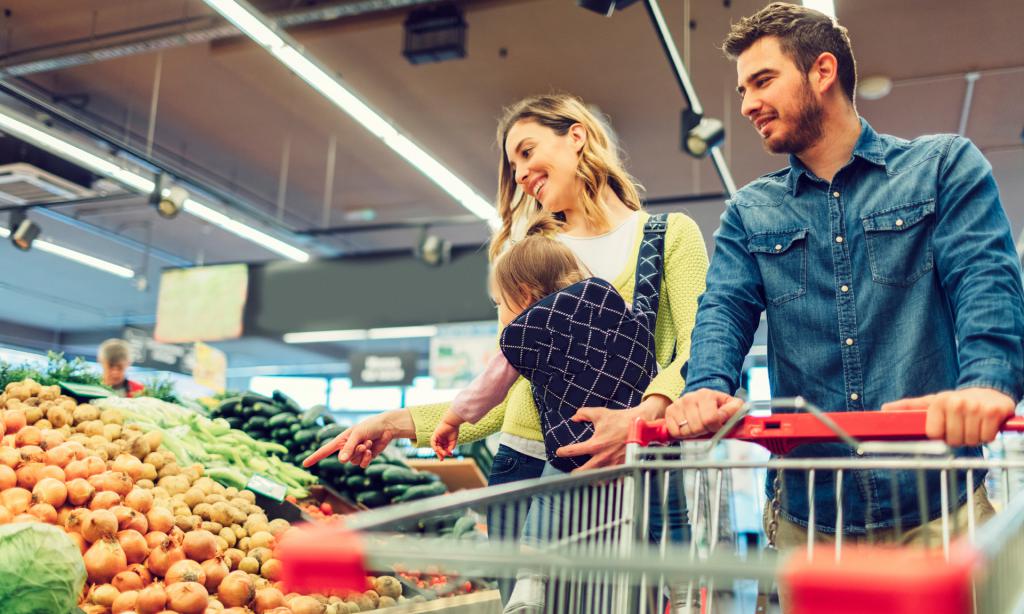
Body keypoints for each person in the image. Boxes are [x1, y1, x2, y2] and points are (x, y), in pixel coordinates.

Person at [666, 2, 1023, 550]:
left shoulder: (942, 168)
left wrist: (986, 383)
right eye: (742, 91)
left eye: (762, 81)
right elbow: (723, 310)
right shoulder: (749, 212)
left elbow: (985, 280)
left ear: (823, 72)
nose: (747, 105)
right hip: (809, 519)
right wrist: (706, 387)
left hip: (938, 509)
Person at [305, 94, 708, 482]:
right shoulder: (530, 259)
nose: (519, 174)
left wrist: (644, 415)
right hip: (525, 461)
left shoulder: (667, 236)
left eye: (527, 152)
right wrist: (392, 423)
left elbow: (700, 349)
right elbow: (504, 385)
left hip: (633, 458)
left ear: (577, 136)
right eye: (513, 165)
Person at [431, 216, 593, 460]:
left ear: (524, 294)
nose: (499, 313)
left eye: (499, 303)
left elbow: (487, 389)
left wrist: (451, 419)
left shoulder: (525, 337)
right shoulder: (598, 305)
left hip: (571, 442)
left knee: (551, 497)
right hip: (621, 433)